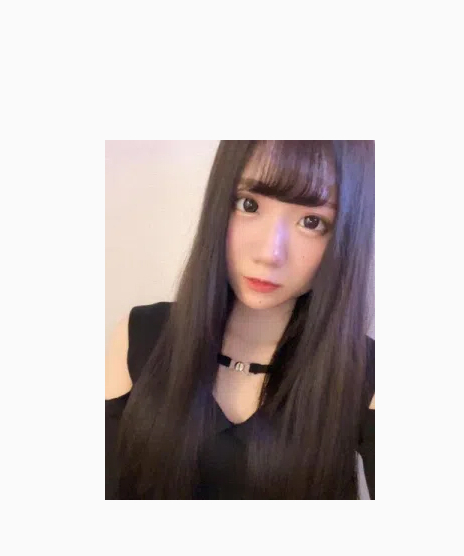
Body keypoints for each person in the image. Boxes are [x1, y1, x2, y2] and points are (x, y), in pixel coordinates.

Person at [105, 140, 375, 500]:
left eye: (312, 222)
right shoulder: (139, 336)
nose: (269, 253)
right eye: (249, 205)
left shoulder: (366, 374)